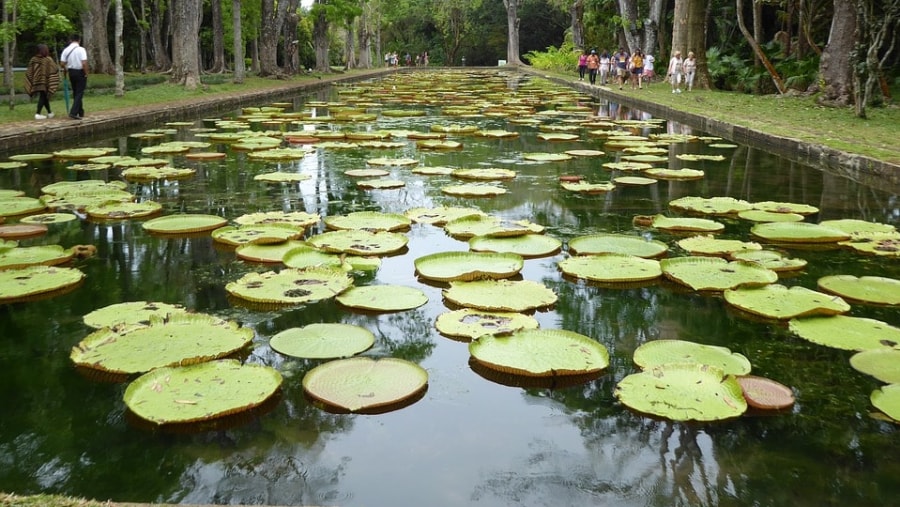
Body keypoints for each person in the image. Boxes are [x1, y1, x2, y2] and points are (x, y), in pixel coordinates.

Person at [24, 44, 60, 120]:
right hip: (45, 82)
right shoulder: (48, 59)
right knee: (43, 97)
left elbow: (30, 71)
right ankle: (38, 113)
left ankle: (50, 113)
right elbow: (54, 70)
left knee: (44, 96)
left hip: (36, 81)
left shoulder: (33, 59)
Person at [60, 34, 88, 120]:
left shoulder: (66, 50)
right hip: (80, 72)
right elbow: (84, 63)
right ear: (79, 40)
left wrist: (66, 69)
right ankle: (73, 112)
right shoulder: (81, 49)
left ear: (70, 40)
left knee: (76, 92)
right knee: (79, 92)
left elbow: (62, 63)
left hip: (71, 72)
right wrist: (86, 72)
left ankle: (80, 111)